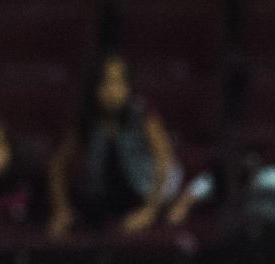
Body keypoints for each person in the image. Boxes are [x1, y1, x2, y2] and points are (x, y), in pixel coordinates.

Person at [46, 55, 181, 239]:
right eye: (106, 83)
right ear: (94, 87)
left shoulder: (142, 114)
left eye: (119, 82)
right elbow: (57, 164)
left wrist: (148, 211)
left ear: (129, 86)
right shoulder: (87, 118)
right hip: (106, 194)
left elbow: (164, 159)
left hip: (146, 193)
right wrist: (61, 210)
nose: (113, 90)